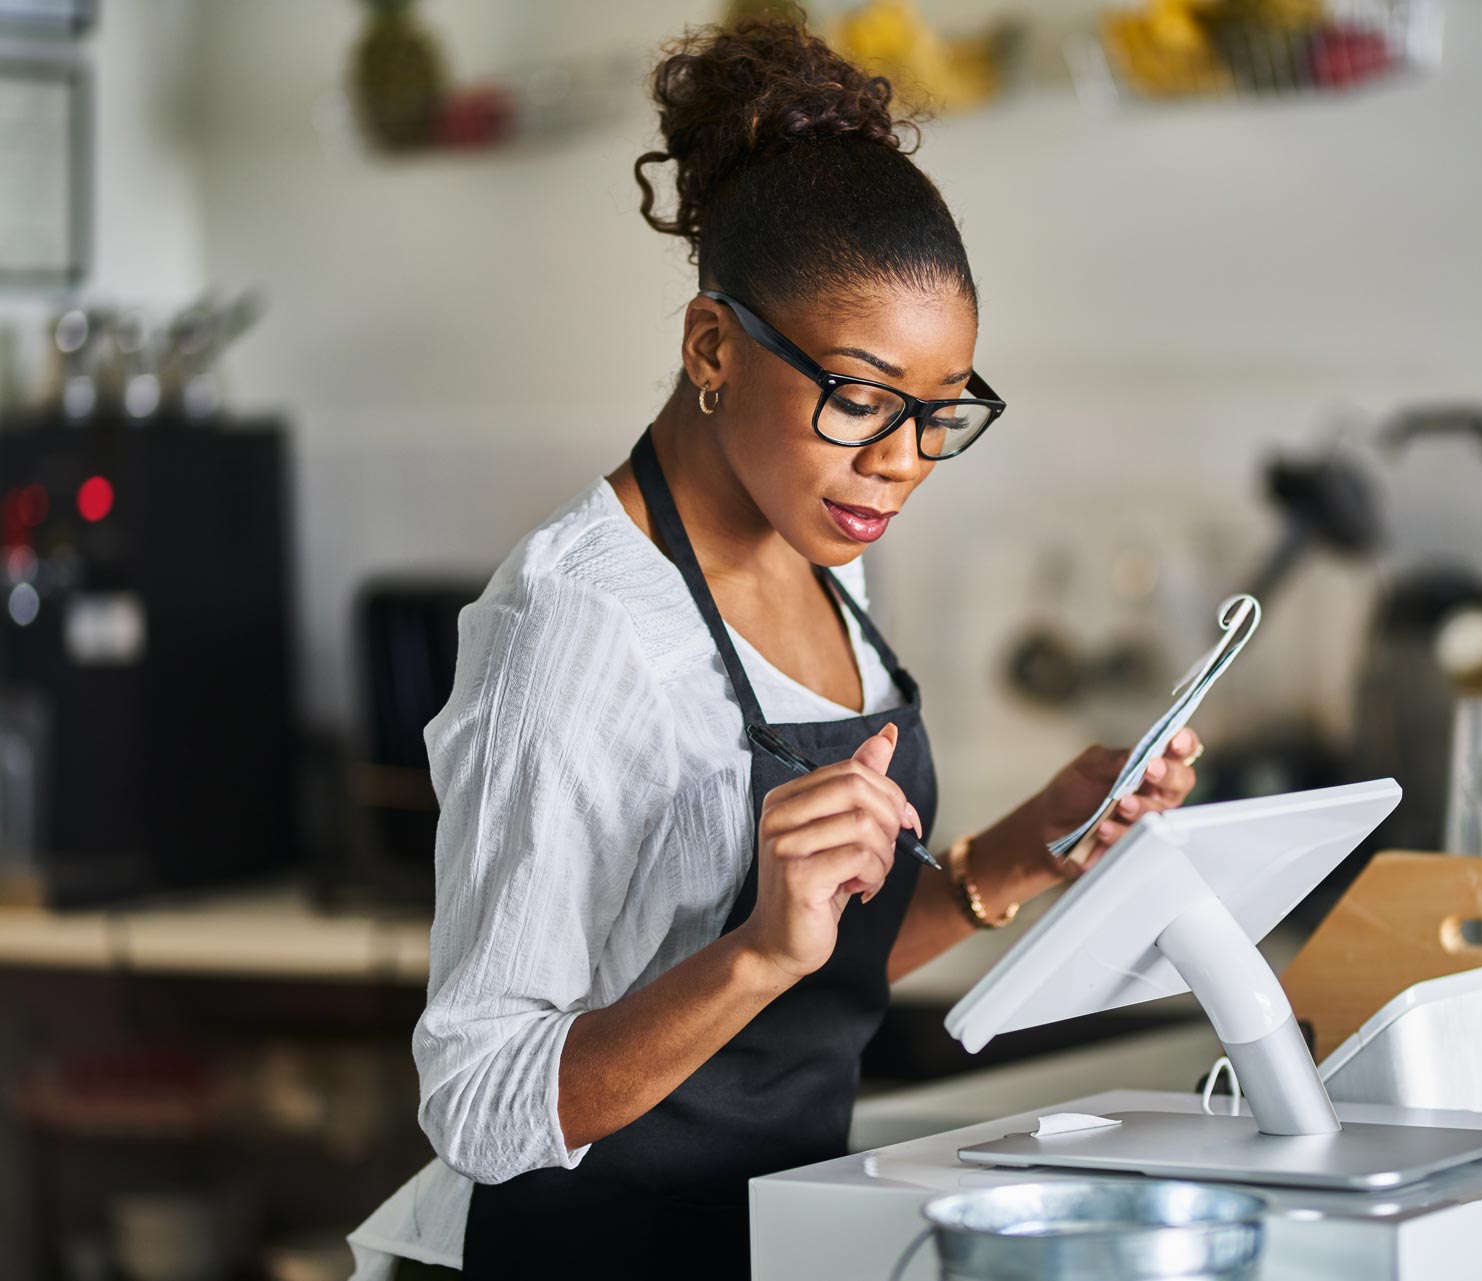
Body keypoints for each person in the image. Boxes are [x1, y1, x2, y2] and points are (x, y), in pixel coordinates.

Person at [347, 20, 1201, 1280]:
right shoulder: (574, 628)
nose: (901, 463)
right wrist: (753, 951)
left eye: (938, 414)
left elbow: (816, 968)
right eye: (859, 400)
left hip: (774, 1243)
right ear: (711, 348)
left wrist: (1028, 851)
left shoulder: (823, 540)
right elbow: (476, 1100)